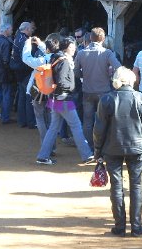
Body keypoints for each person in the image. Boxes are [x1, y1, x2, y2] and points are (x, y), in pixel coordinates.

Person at [93, 67, 142, 237]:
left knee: (116, 186)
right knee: (136, 185)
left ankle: (119, 227)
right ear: (132, 80)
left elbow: (99, 129)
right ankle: (136, 227)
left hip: (112, 147)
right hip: (137, 147)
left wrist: (98, 150)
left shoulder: (107, 99)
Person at [36, 37, 94, 165]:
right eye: (71, 47)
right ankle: (87, 155)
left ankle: (43, 156)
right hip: (64, 99)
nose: (74, 49)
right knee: (76, 126)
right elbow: (62, 81)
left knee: (53, 128)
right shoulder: (65, 61)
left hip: (54, 98)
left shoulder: (55, 58)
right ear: (66, 48)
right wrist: (72, 87)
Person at [75, 27, 121, 148]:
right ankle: (102, 146)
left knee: (87, 120)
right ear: (103, 39)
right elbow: (118, 67)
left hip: (87, 90)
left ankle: (88, 147)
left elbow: (76, 72)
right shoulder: (107, 53)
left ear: (90, 38)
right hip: (104, 90)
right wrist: (110, 75)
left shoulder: (81, 53)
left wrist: (84, 75)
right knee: (103, 119)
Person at [11, 21, 36, 129]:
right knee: (29, 96)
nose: (32, 30)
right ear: (26, 29)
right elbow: (26, 58)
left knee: (22, 96)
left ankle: (22, 121)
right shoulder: (24, 40)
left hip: (18, 70)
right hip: (24, 71)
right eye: (31, 28)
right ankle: (30, 122)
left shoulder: (17, 37)